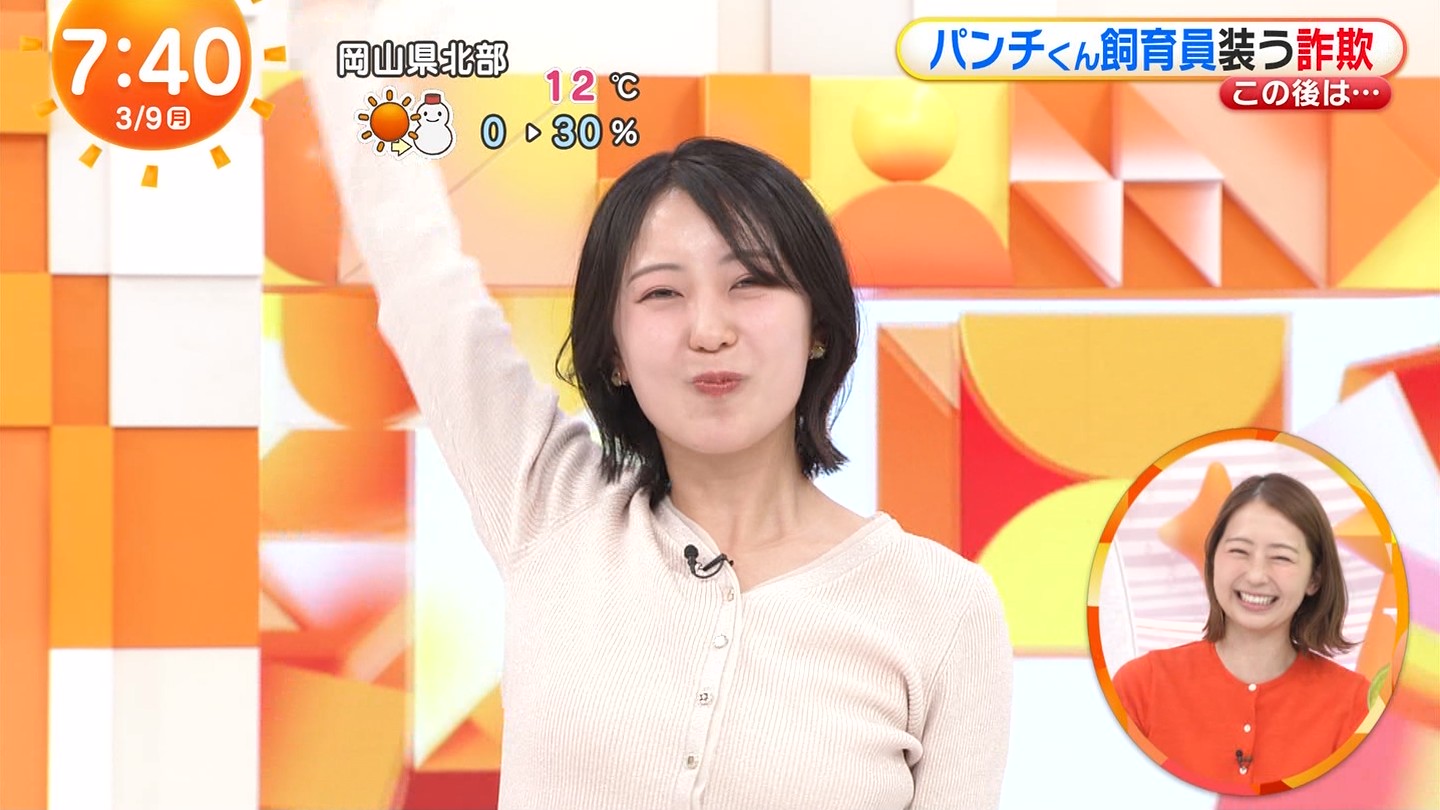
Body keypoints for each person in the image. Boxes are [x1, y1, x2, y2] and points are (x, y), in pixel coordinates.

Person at [294, 9, 1013, 809]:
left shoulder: (943, 606)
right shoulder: (549, 506)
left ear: (819, 325)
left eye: (751, 283)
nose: (709, 330)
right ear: (613, 351)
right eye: (663, 293)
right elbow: (420, 276)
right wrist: (334, 30)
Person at [1112, 473, 1372, 790]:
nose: (1257, 575)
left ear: (1314, 579)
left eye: (1281, 557)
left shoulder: (1356, 705)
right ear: (1212, 560)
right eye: (1239, 551)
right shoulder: (1141, 687)